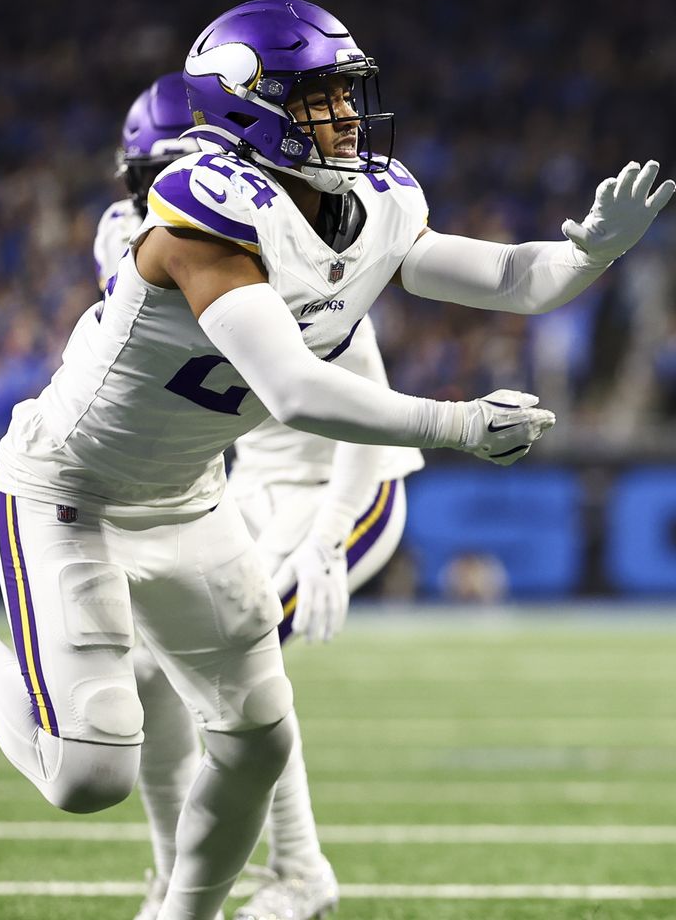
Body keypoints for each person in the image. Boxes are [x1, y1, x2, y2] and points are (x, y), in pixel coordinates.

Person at [0, 0, 674, 920]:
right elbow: (293, 391)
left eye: (345, 92)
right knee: (89, 774)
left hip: (191, 496)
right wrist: (457, 427)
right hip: (71, 492)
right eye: (319, 97)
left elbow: (504, 278)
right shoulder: (200, 217)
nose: (345, 115)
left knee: (254, 736)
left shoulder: (370, 202)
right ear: (251, 109)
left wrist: (586, 257)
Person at [98, 74, 425, 920]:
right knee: (145, 667)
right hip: (247, 484)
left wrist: (326, 539)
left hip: (341, 482)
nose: (172, 198)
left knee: (232, 664)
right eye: (154, 180)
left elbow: (368, 409)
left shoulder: (287, 233)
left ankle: (300, 872)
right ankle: (175, 871)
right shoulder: (142, 242)